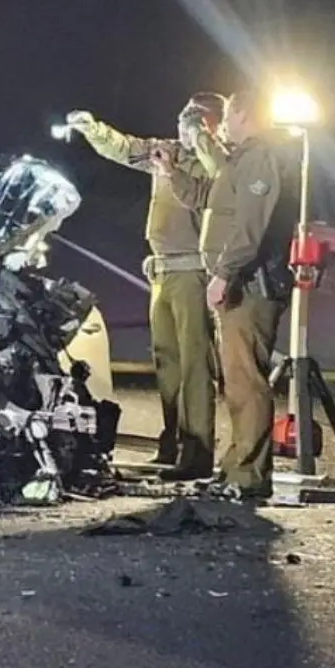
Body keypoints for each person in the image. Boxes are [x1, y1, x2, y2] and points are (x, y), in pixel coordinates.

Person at [65, 94, 227, 480]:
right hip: (162, 272)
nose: (182, 129)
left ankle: (198, 451)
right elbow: (124, 148)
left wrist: (186, 159)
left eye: (193, 122)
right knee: (167, 363)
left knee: (194, 365)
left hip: (193, 272)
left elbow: (212, 191)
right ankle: (171, 444)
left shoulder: (219, 161)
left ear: (210, 126)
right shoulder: (165, 151)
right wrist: (92, 128)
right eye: (181, 120)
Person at [185, 89, 299, 498]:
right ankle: (236, 467)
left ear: (245, 114)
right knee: (235, 381)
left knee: (247, 382)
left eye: (230, 113)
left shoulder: (259, 158)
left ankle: (248, 477)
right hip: (239, 284)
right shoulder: (242, 157)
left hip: (250, 286)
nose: (224, 122)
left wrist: (223, 274)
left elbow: (249, 231)